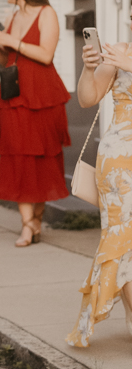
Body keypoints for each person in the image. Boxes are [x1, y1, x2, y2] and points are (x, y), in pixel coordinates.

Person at [0, 0, 70, 247]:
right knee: (17, 155)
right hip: (13, 92)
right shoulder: (12, 16)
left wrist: (11, 40)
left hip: (42, 94)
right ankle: (26, 224)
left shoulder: (47, 13)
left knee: (41, 156)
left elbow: (45, 55)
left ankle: (36, 221)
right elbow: (4, 59)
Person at [67, 24, 132, 348]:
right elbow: (88, 98)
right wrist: (89, 68)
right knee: (120, 239)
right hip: (118, 161)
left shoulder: (125, 59)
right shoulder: (118, 51)